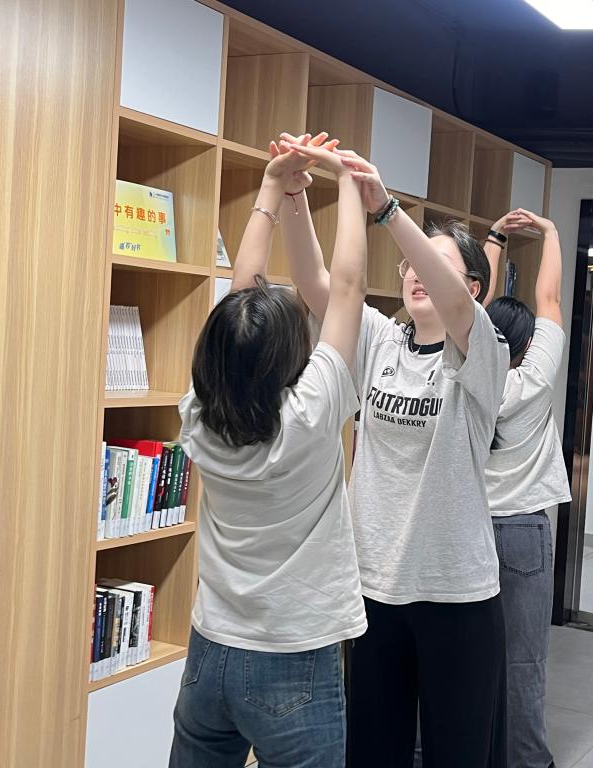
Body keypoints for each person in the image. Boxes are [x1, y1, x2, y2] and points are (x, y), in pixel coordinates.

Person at [281, 143, 511, 768]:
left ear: (471, 286)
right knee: (372, 750)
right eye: (409, 265)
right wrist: (295, 195)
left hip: (457, 594)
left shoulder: (483, 352)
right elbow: (316, 284)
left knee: (456, 754)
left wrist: (387, 212)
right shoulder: (380, 339)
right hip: (374, 586)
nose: (413, 273)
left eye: (432, 264)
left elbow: (459, 309)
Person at [170, 133, 369, 768]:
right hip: (294, 655)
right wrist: (347, 182)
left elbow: (240, 303)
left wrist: (273, 188)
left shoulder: (200, 415)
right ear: (289, 357)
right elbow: (346, 290)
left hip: (211, 648)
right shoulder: (308, 417)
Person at [483, 209, 572, 768]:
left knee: (457, 656)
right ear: (527, 343)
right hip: (523, 534)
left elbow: (468, 305)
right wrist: (550, 234)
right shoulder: (534, 379)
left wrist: (494, 239)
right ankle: (526, 761)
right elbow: (550, 298)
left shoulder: (463, 376)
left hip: (466, 529)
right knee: (523, 661)